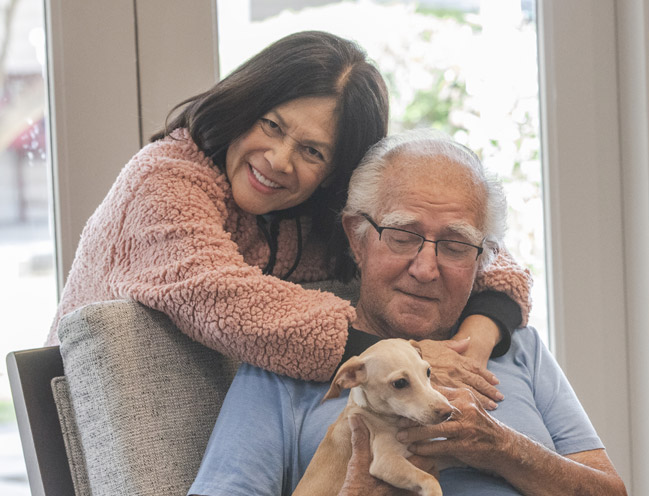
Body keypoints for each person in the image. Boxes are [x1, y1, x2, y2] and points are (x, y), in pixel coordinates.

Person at [46, 30, 532, 392]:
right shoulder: (162, 179)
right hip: (108, 414)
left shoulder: (316, 212)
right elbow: (230, 304)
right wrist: (405, 356)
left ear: (336, 172)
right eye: (271, 125)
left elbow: (478, 252)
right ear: (244, 104)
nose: (278, 160)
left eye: (313, 152)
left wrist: (478, 336)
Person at [187, 130, 627, 496]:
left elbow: (611, 491)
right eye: (401, 235)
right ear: (358, 238)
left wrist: (503, 449)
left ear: (482, 260)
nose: (425, 268)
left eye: (455, 245)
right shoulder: (282, 361)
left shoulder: (518, 348)